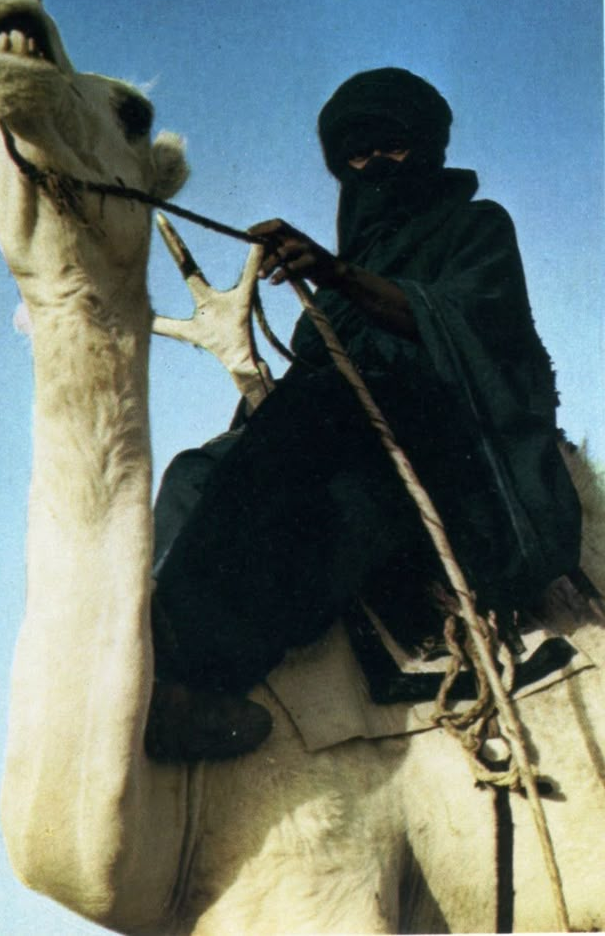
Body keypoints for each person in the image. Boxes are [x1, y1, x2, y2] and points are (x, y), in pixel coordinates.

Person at [145, 67, 582, 763]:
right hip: (338, 446)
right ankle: (148, 649)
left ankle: (203, 673)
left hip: (459, 473)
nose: (375, 165)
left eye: (394, 149)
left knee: (320, 432)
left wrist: (336, 275)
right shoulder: (348, 278)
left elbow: (457, 326)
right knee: (199, 471)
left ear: (429, 151)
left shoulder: (476, 229)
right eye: (357, 155)